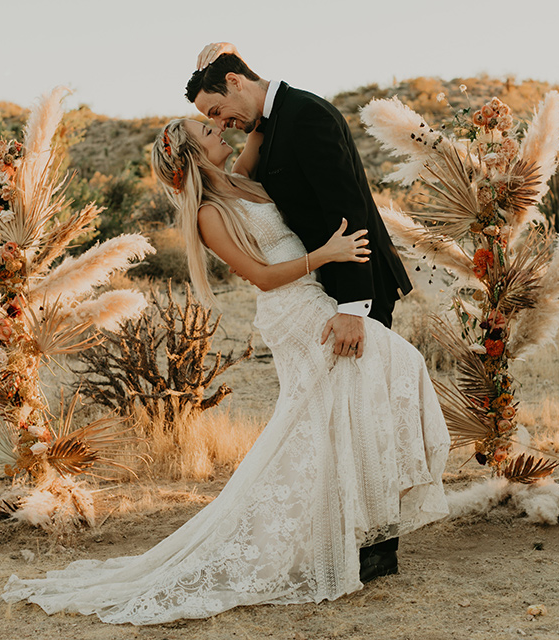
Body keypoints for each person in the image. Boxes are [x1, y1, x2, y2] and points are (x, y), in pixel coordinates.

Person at [1, 117, 449, 626]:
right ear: (193, 155)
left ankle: (356, 531)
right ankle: (331, 531)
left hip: (311, 297)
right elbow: (259, 275)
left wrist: (225, 61)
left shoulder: (239, 172)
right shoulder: (209, 215)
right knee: (378, 375)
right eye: (209, 132)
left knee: (331, 410)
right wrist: (325, 255)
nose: (220, 132)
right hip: (292, 308)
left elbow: (263, 115)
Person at [187, 43, 413, 580]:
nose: (222, 124)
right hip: (308, 300)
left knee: (361, 413)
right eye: (209, 124)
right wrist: (219, 69)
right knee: (335, 418)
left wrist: (355, 306)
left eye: (217, 111)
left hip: (347, 294)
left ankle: (371, 541)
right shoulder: (265, 132)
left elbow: (347, 208)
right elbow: (253, 121)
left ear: (237, 81)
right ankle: (356, 541)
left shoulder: (302, 116)